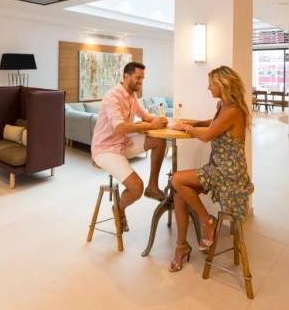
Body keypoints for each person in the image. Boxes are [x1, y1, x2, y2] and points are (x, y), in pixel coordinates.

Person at [168, 65, 254, 272]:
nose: (208, 88)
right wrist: (194, 122)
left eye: (211, 84)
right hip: (217, 167)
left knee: (176, 179)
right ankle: (181, 246)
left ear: (223, 85)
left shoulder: (234, 111)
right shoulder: (222, 105)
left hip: (228, 173)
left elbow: (207, 136)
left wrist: (187, 128)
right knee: (179, 192)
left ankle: (207, 221)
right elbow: (214, 124)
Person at [91, 62, 168, 231]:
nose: (141, 81)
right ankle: (118, 208)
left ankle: (152, 187)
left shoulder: (132, 96)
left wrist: (160, 120)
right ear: (126, 77)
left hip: (122, 144)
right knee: (136, 187)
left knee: (159, 140)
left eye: (143, 78)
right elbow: (119, 127)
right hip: (105, 150)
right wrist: (150, 126)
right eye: (138, 78)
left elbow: (145, 116)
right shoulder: (113, 96)